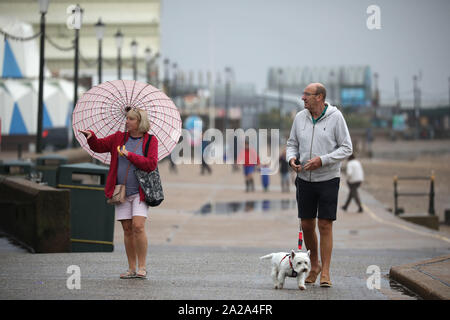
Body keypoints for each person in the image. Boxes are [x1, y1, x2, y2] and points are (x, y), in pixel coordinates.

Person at [79, 107, 158, 280]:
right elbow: (99, 146)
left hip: (140, 192)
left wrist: (130, 155)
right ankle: (131, 268)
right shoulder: (118, 138)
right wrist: (91, 136)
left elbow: (151, 164)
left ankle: (142, 267)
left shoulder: (150, 140)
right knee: (127, 229)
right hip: (120, 191)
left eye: (131, 119)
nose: (127, 121)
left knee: (138, 226)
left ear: (139, 122)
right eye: (127, 118)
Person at [286, 83, 352, 287]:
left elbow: (347, 148)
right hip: (304, 180)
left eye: (307, 95)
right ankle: (313, 265)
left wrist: (322, 160)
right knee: (307, 225)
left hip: (328, 179)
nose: (303, 98)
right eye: (303, 94)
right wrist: (291, 160)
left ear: (320, 97)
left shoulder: (336, 117)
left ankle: (326, 272)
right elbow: (291, 144)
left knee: (325, 224)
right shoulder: (299, 118)